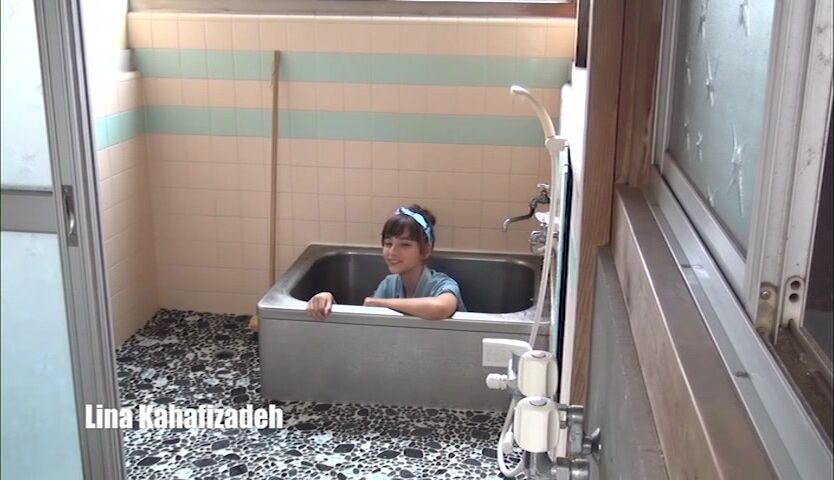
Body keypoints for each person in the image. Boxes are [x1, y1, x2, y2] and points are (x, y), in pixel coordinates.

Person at [306, 204, 466, 320]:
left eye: (405, 244)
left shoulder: (441, 284)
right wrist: (329, 302)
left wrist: (381, 303)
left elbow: (441, 307)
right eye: (388, 243)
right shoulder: (390, 284)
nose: (392, 252)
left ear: (426, 250)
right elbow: (364, 321)